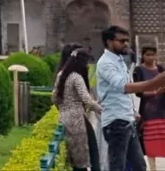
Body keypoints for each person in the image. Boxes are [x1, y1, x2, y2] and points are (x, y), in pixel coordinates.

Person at [96, 25, 165, 171]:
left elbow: (123, 94)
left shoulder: (119, 60)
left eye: (126, 40)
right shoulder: (105, 63)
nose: (126, 44)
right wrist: (153, 83)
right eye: (121, 41)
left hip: (127, 119)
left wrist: (132, 111)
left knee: (139, 165)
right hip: (116, 122)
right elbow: (124, 87)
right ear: (109, 42)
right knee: (117, 166)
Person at [53, 48, 102, 171]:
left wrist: (63, 108)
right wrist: (102, 109)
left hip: (64, 118)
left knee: (74, 157)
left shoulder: (61, 75)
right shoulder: (76, 77)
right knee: (89, 154)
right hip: (78, 120)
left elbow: (54, 98)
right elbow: (87, 100)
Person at [133, 46, 165, 170]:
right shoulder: (139, 70)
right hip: (148, 110)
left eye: (153, 55)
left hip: (162, 108)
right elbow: (138, 91)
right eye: (148, 55)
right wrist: (155, 93)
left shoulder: (161, 69)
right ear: (143, 56)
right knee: (150, 140)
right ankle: (152, 167)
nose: (151, 57)